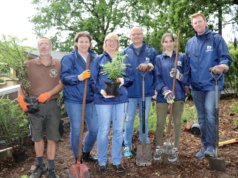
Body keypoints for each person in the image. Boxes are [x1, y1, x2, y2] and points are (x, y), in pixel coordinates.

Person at [185, 11, 232, 159]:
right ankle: (205, 146)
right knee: (202, 117)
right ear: (192, 26)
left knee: (210, 114)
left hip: (212, 84)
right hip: (196, 86)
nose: (197, 24)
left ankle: (212, 146)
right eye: (195, 22)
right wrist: (186, 82)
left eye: (200, 21)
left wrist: (222, 66)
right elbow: (187, 65)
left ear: (205, 22)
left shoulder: (216, 39)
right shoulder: (190, 43)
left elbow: (225, 58)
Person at [17, 37, 64, 178]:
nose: (43, 46)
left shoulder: (58, 64)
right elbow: (22, 86)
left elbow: (62, 83)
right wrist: (21, 99)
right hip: (34, 106)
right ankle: (40, 166)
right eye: (40, 44)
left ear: (51, 46)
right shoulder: (28, 64)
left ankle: (51, 169)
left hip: (52, 106)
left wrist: (49, 93)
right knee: (37, 138)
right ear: (37, 47)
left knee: (52, 137)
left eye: (46, 44)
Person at [93, 32, 133, 173]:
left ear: (117, 44)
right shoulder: (98, 59)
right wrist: (101, 91)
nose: (111, 43)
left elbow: (131, 77)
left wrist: (123, 80)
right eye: (108, 41)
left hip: (121, 99)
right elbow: (92, 79)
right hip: (103, 100)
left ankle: (116, 161)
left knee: (118, 130)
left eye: (114, 41)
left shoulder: (122, 59)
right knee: (104, 130)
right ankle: (102, 161)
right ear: (105, 43)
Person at [60, 31, 98, 163]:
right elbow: (64, 78)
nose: (83, 44)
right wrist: (78, 77)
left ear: (90, 43)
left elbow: (98, 77)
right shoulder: (69, 58)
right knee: (76, 129)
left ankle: (86, 151)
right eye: (81, 41)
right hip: (74, 99)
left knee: (94, 129)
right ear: (76, 43)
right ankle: (78, 158)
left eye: (86, 41)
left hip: (90, 99)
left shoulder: (95, 58)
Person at [122, 26, 158, 158]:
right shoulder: (124, 52)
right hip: (130, 93)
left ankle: (144, 142)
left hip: (146, 92)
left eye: (138, 34)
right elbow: (121, 73)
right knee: (129, 119)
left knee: (144, 119)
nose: (136, 36)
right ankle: (127, 146)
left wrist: (150, 68)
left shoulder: (151, 51)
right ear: (130, 36)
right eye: (133, 34)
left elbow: (156, 70)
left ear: (142, 35)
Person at [153, 33, 189, 162]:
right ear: (162, 43)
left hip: (178, 95)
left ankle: (175, 148)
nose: (168, 44)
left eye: (170, 41)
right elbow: (157, 78)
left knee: (177, 122)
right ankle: (158, 146)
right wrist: (165, 90)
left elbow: (187, 76)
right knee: (160, 122)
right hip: (163, 96)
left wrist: (179, 76)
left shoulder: (182, 57)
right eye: (165, 41)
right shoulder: (158, 58)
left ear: (174, 42)